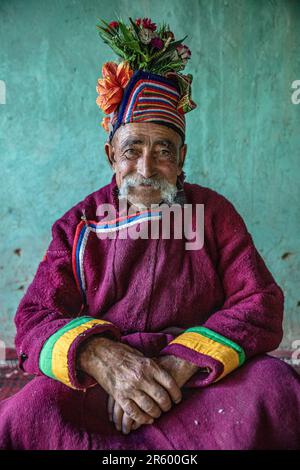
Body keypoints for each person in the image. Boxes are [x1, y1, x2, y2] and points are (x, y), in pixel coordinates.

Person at [1, 16, 300, 450]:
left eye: (163, 151)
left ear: (182, 158)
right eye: (131, 150)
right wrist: (99, 356)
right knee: (25, 415)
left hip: (199, 381)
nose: (146, 169)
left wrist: (180, 361)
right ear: (110, 156)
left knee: (277, 387)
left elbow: (261, 303)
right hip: (103, 388)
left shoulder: (213, 213)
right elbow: (33, 317)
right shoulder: (79, 225)